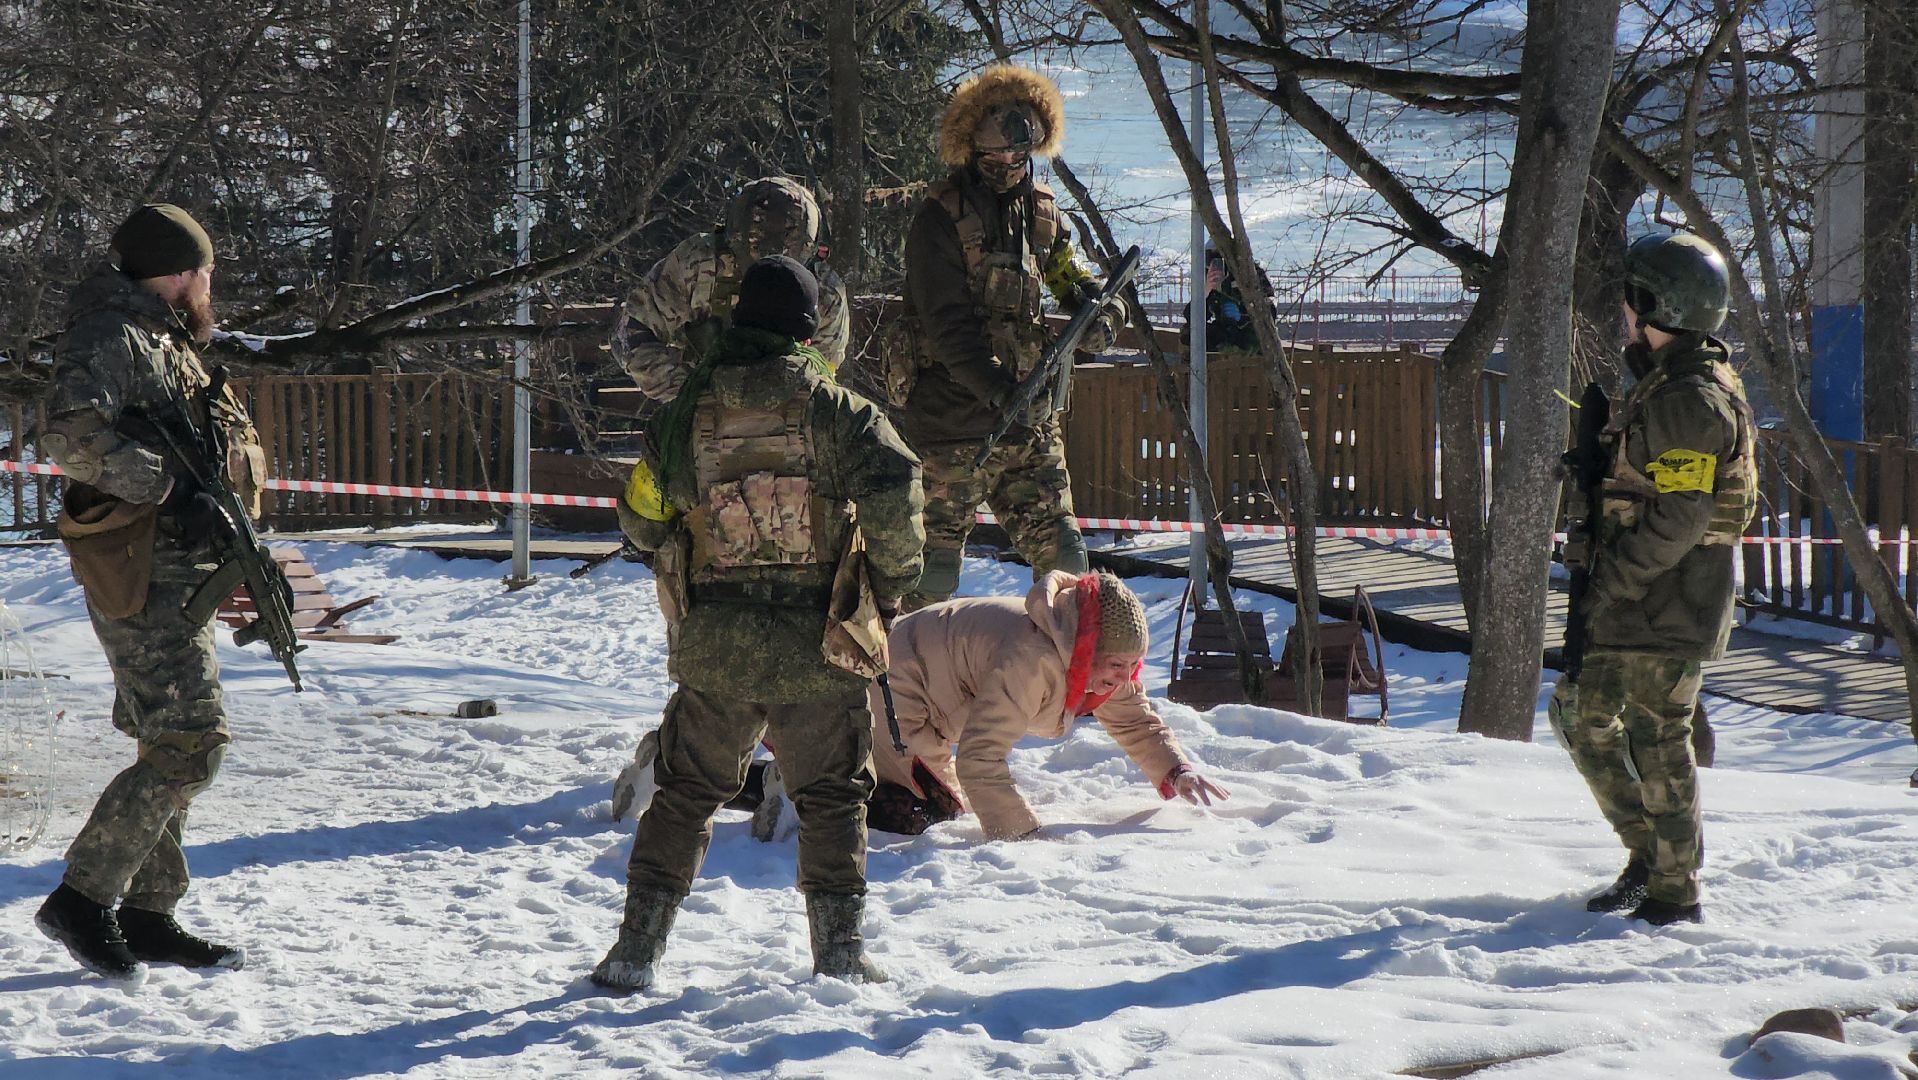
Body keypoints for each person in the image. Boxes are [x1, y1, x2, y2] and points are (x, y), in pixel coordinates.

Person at [591, 255, 924, 991]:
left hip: (716, 648)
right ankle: (838, 955)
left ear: (738, 321)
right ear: (808, 330)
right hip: (819, 646)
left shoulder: (688, 412)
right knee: (834, 796)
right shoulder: (838, 410)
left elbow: (644, 521)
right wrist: (890, 586)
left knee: (684, 793)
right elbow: (898, 486)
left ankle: (635, 951)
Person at [35, 203, 267, 981]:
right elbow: (67, 435)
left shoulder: (167, 339)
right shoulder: (113, 334)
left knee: (163, 739)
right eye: (204, 269)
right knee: (191, 744)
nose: (210, 283)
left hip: (179, 573)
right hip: (140, 570)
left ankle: (148, 911)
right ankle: (82, 898)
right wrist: (167, 488)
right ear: (179, 270)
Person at [1548, 231, 1755, 927]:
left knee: (1655, 735)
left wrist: (1609, 585)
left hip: (1665, 601)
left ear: (1653, 304)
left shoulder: (1689, 399)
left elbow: (1681, 518)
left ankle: (1674, 892)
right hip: (1650, 600)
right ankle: (1652, 860)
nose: (1624, 315)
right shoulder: (1670, 384)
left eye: (1632, 302)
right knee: (1582, 714)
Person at [894, 65, 1128, 610]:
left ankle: (1064, 686)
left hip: (1028, 425)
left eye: (1018, 159)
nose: (1006, 169)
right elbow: (945, 324)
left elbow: (1069, 279)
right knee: (929, 579)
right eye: (994, 159)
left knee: (1068, 567)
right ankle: (908, 685)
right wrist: (996, 388)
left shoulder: (1043, 215)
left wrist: (1100, 310)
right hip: (951, 423)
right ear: (970, 153)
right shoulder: (938, 220)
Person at [871, 570, 1228, 840]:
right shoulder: (1033, 660)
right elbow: (980, 757)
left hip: (934, 696)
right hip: (896, 682)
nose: (1124, 677)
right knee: (921, 817)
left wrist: (1176, 770)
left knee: (946, 809)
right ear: (1089, 650)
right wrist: (1024, 838)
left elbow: (1134, 720)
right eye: (1117, 664)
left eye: (1132, 666)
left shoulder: (1094, 660)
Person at [614, 177, 850, 403]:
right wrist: (690, 394)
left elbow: (822, 375)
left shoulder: (825, 293)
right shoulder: (697, 263)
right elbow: (631, 333)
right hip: (704, 416)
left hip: (786, 421)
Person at [1179, 246, 1271, 353]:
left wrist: (1244, 313)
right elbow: (1191, 317)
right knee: (1188, 333)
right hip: (1224, 330)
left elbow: (1270, 309)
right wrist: (1206, 291)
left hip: (1250, 331)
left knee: (1253, 342)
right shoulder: (1209, 278)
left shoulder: (1252, 273)